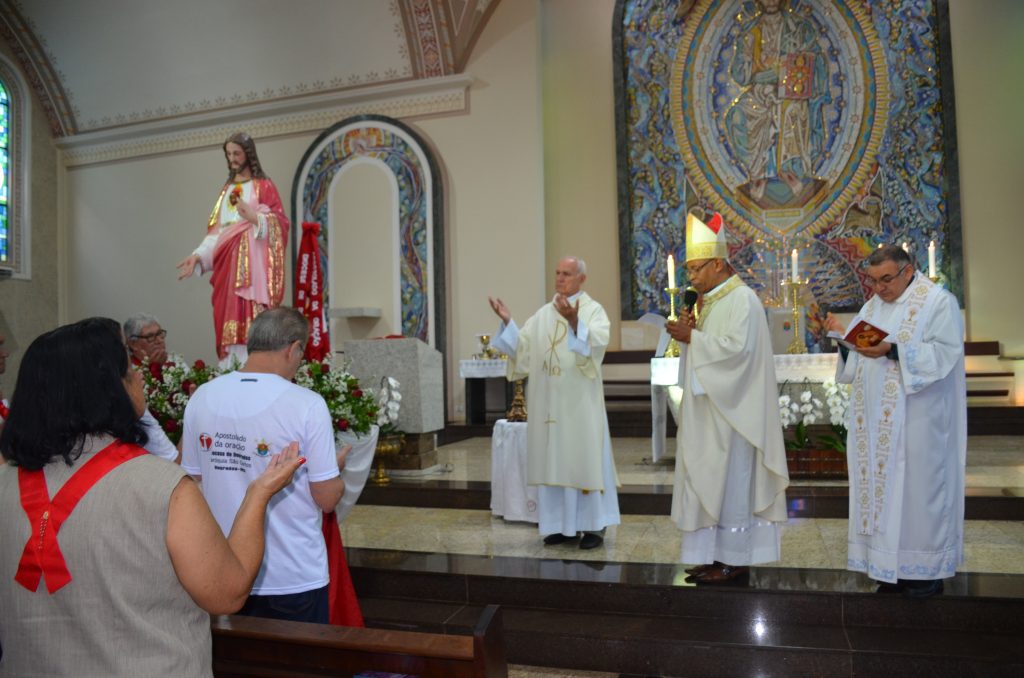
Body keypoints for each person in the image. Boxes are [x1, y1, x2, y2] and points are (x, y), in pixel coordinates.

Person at [0, 317, 303, 677]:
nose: (140, 375)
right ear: (105, 388)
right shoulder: (162, 487)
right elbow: (227, 593)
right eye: (128, 367)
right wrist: (259, 494)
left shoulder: (6, 482)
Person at [181, 307, 346, 623]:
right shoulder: (307, 405)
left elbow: (192, 479)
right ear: (293, 348)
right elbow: (327, 499)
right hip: (291, 573)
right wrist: (334, 470)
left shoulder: (202, 397)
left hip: (224, 569)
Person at [825, 244, 966, 598]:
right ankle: (888, 568)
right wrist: (844, 341)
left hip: (920, 422)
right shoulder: (873, 305)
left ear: (907, 271)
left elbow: (945, 353)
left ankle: (924, 573)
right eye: (872, 281)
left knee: (918, 496)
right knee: (884, 496)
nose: (878, 288)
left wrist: (895, 350)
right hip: (878, 427)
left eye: (885, 279)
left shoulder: (937, 302)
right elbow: (859, 358)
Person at [665, 212, 790, 582]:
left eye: (697, 269)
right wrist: (690, 334)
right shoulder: (711, 301)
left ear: (718, 263)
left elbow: (740, 355)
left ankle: (734, 559)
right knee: (707, 484)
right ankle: (713, 554)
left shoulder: (743, 301)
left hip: (735, 417)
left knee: (732, 484)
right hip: (708, 413)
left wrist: (695, 340)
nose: (692, 278)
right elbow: (708, 352)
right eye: (688, 271)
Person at [488, 256, 620, 550]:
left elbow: (596, 346)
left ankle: (594, 526)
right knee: (554, 462)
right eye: (558, 273)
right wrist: (509, 322)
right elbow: (522, 352)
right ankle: (562, 526)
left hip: (579, 408)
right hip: (549, 407)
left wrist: (575, 323)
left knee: (582, 461)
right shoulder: (543, 315)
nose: (560, 278)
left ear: (582, 279)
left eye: (567, 274)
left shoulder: (593, 311)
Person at [176, 132, 289, 366]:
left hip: (254, 275)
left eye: (236, 153)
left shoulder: (264, 186)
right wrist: (197, 256)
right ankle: (230, 366)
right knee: (226, 317)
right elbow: (217, 233)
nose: (232, 158)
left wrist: (256, 218)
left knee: (254, 319)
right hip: (227, 271)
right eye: (228, 154)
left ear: (248, 154)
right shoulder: (226, 190)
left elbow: (280, 224)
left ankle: (257, 361)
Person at [725, 0, 829, 205]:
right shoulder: (750, 32)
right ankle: (758, 174)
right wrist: (750, 64)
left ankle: (789, 171)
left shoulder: (799, 28)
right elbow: (740, 75)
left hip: (791, 91)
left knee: (792, 111)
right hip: (760, 93)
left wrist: (790, 70)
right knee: (737, 116)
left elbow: (815, 59)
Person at [122, 313, 180, 463]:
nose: (159, 341)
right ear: (132, 344)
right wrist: (152, 369)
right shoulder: (129, 375)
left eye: (160, 334)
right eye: (150, 337)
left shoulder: (176, 362)